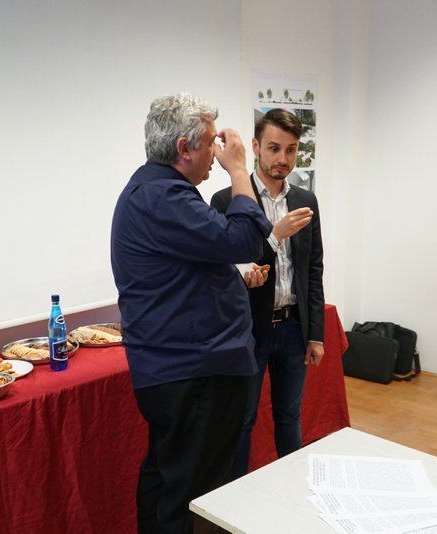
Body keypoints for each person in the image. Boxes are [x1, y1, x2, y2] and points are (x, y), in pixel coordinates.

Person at [110, 93, 272, 534]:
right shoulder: (164, 197)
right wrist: (239, 170)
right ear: (184, 148)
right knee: (193, 496)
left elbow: (189, 273)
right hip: (194, 371)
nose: (216, 153)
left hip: (180, 367)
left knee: (168, 480)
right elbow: (246, 240)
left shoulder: (155, 193)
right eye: (210, 142)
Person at [210, 108, 325, 480]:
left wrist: (316, 333)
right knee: (242, 420)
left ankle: (291, 490)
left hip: (293, 328)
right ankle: (234, 500)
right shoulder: (227, 201)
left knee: (289, 416)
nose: (283, 159)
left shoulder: (306, 200)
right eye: (274, 148)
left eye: (291, 150)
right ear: (256, 147)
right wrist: (275, 235)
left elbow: (313, 270)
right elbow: (224, 272)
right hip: (249, 329)